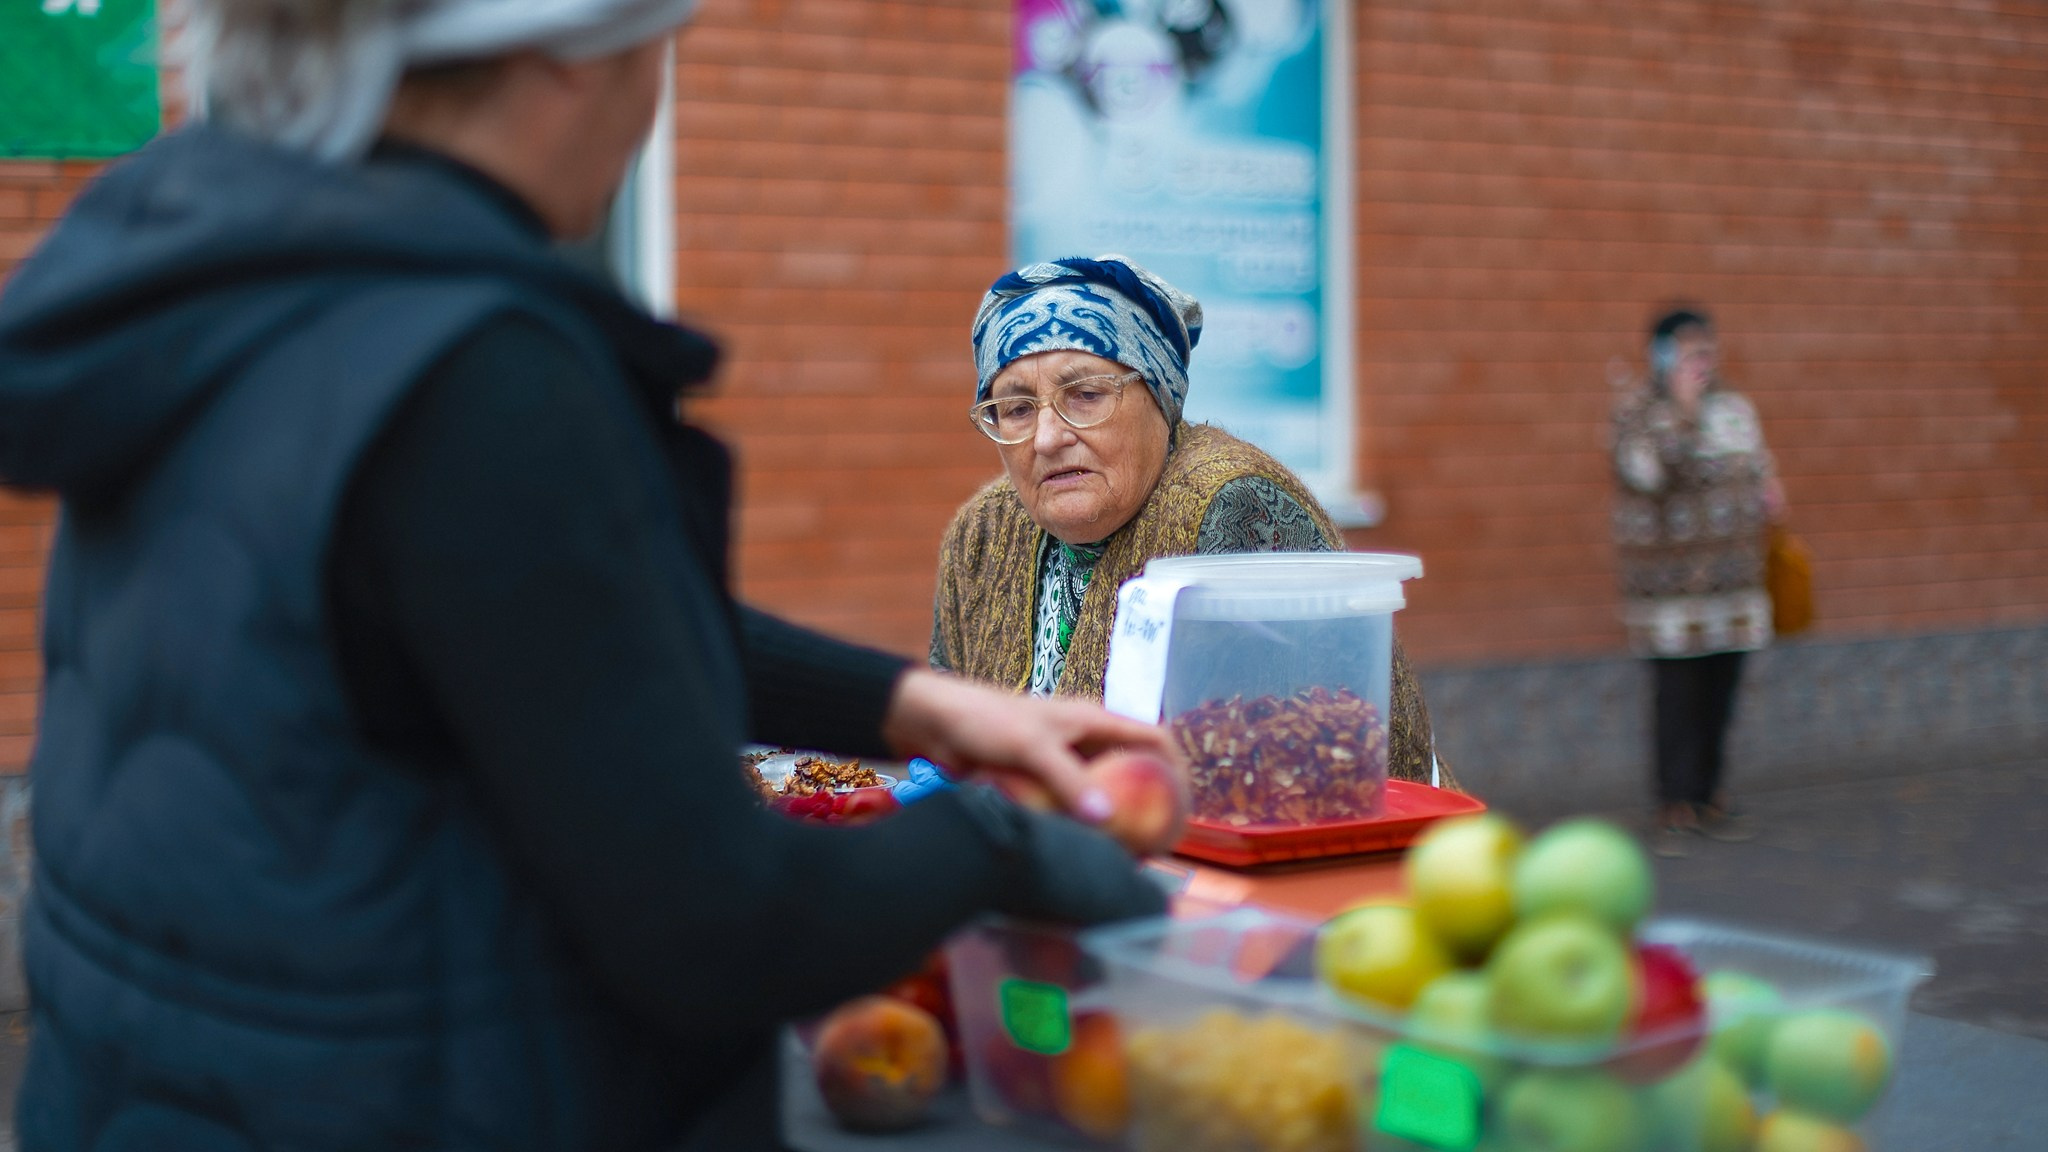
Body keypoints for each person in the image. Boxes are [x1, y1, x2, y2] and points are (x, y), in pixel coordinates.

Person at [0, 3, 1176, 1148]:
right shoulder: (476, 365)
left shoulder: (231, 279)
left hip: (151, 1079)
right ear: (563, 54)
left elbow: (524, 613)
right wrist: (1004, 842)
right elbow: (719, 926)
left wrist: (908, 703)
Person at [930, 256, 1444, 786]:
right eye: (1016, 408)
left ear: (1160, 398)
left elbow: (1284, 782)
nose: (1046, 437)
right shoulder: (981, 532)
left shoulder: (1235, 507)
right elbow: (949, 729)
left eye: (1085, 396)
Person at [1611, 307, 1786, 854]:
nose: (1701, 362)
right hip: (1670, 595)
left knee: (1721, 692)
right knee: (1677, 697)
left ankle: (1711, 794)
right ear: (1660, 355)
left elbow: (1755, 464)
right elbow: (1648, 477)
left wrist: (1770, 487)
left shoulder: (1734, 407)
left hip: (1733, 590)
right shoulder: (1637, 413)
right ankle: (1674, 802)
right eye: (1689, 352)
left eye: (1707, 350)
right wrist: (1683, 414)